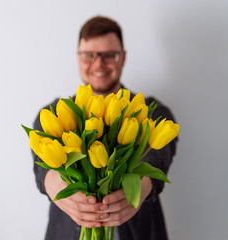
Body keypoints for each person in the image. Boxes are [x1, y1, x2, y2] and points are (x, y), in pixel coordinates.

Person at [32, 16, 178, 240]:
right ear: (78, 58)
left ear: (123, 58)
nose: (99, 63)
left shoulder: (150, 112)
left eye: (109, 55)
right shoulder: (55, 113)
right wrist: (53, 184)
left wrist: (140, 186)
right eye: (89, 55)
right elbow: (41, 163)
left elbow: (158, 156)